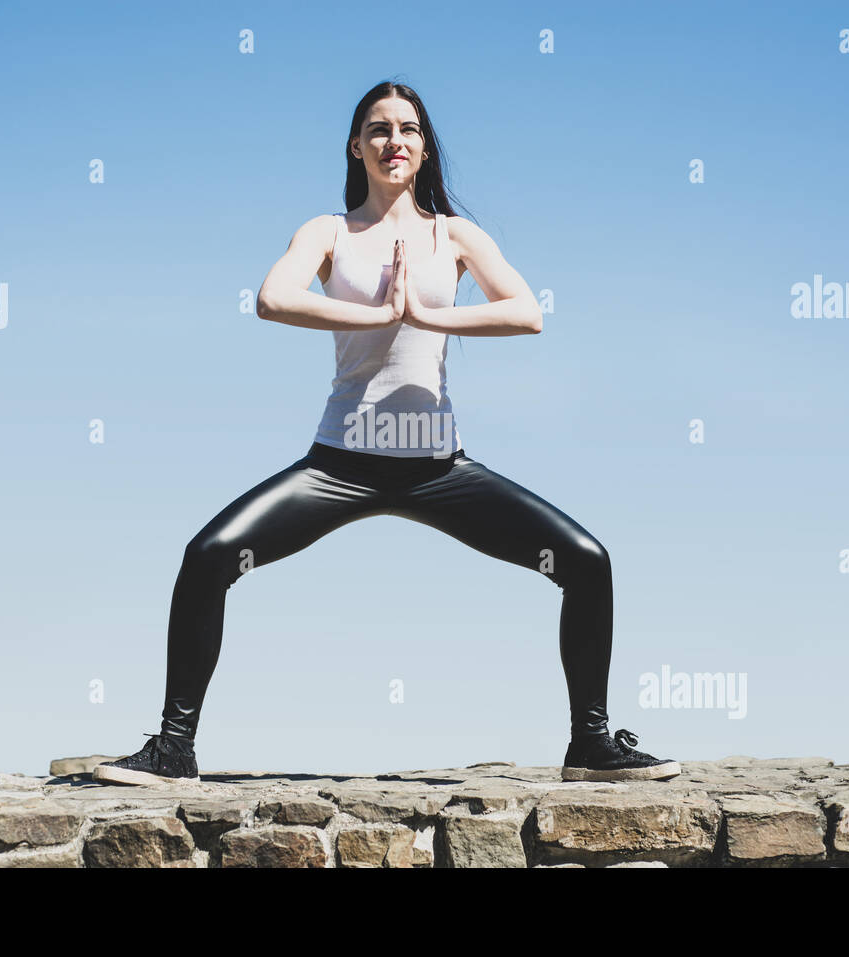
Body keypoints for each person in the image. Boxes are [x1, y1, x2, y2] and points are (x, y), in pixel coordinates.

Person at [93, 81, 680, 787]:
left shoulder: (454, 236)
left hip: (439, 470)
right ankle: (174, 749)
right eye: (377, 129)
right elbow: (272, 298)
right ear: (356, 146)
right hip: (339, 466)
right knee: (210, 554)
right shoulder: (329, 232)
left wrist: (427, 317)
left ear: (424, 146)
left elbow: (527, 312)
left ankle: (590, 744)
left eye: (407, 129)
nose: (393, 140)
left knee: (586, 561)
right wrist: (377, 315)